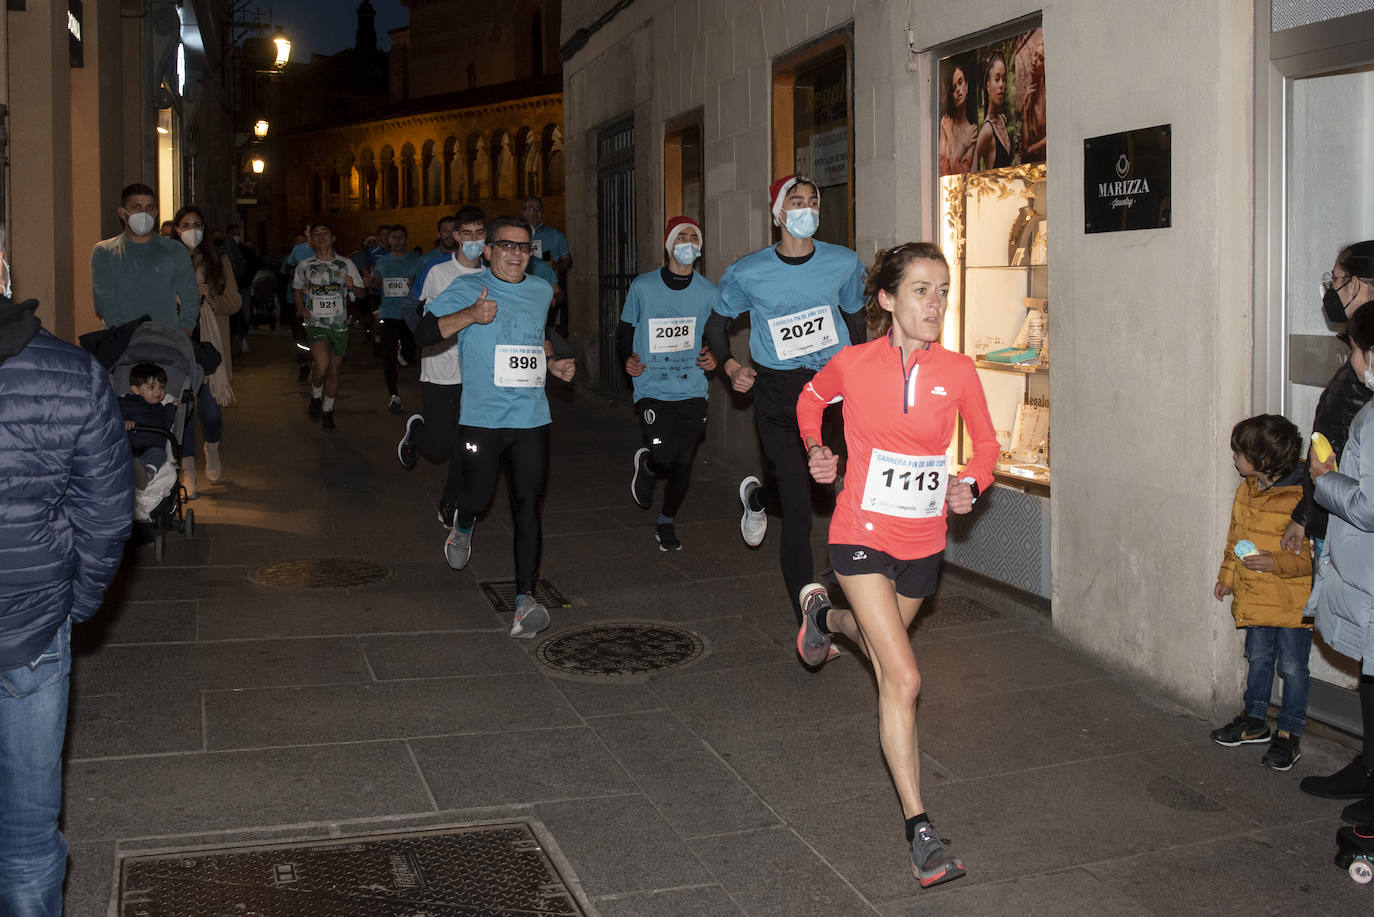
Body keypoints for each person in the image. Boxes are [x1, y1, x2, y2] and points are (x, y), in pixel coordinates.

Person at [795, 241, 993, 888]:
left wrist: (971, 481)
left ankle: (826, 615)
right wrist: (817, 449)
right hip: (859, 532)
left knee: (882, 651)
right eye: (921, 290)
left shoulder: (959, 370)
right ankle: (921, 832)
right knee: (903, 677)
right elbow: (808, 401)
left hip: (922, 544)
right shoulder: (852, 363)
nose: (936, 302)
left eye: (943, 290)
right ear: (886, 299)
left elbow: (986, 444)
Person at [0, 221, 132, 916]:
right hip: (30, 624)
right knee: (25, 840)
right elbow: (108, 514)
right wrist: (73, 602)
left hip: (33, 614)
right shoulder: (69, 372)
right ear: (3, 269)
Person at [703, 175, 866, 624]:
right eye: (797, 202)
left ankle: (758, 498)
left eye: (814, 201)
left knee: (820, 488)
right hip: (777, 393)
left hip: (830, 391)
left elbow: (855, 325)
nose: (807, 209)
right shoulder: (747, 271)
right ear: (778, 212)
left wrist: (859, 379)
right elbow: (715, 326)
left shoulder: (844, 262)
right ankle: (808, 616)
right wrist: (731, 367)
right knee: (798, 504)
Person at [424, 215, 575, 638]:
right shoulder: (466, 288)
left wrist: (553, 361)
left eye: (523, 247)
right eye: (506, 246)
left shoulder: (542, 290)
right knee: (477, 496)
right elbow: (421, 331)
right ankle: (464, 523)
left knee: (528, 506)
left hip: (531, 419)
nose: (515, 254)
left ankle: (524, 601)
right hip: (482, 420)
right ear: (488, 251)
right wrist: (470, 315)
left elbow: (536, 335)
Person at [1286, 243, 1374, 815]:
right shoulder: (1361, 347)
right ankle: (1370, 764)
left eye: (1338, 279)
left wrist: (1324, 488)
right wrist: (1308, 509)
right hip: (1340, 519)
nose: (1331, 290)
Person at [1209, 414, 1313, 771]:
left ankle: (1289, 733)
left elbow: (1316, 558)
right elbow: (1235, 538)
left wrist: (1276, 563)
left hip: (1291, 604)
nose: (1235, 458)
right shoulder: (1247, 489)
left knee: (1294, 668)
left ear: (1264, 461)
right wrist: (1228, 577)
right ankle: (1254, 722)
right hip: (1255, 598)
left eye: (1240, 453)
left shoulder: (1304, 500)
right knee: (1258, 660)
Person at [619, 216, 719, 550]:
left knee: (685, 461)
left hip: (691, 387)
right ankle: (647, 465)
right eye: (681, 237)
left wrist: (715, 357)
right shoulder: (643, 287)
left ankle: (666, 522)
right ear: (669, 244)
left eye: (694, 237)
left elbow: (715, 335)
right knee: (664, 457)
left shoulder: (708, 292)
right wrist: (627, 360)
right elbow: (625, 329)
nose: (688, 243)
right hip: (652, 386)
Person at [399, 206, 487, 527]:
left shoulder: (493, 274)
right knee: (439, 446)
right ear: (455, 236)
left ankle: (451, 500)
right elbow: (413, 312)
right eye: (468, 234)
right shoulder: (437, 272)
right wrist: (422, 340)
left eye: (480, 234)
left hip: (476, 376)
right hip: (439, 370)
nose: (474, 241)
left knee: (468, 445)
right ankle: (418, 431)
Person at [173, 205, 241, 494]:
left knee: (211, 411)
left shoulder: (219, 261)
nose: (192, 231)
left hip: (210, 347)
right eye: (185, 225)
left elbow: (235, 301)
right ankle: (188, 471)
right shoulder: (168, 260)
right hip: (179, 344)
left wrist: (211, 299)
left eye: (196, 224)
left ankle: (212, 447)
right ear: (177, 230)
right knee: (184, 410)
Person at [90, 182, 200, 334]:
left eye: (149, 207)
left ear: (155, 213)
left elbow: (190, 293)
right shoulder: (104, 252)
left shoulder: (174, 250)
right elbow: (104, 300)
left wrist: (185, 328)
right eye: (137, 207)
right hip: (121, 341)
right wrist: (127, 334)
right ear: (122, 213)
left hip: (165, 340)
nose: (144, 213)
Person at [294, 222, 365, 430]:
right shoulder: (305, 265)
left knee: (334, 370)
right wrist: (301, 307)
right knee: (322, 364)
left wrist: (353, 286)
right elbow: (297, 287)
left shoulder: (346, 264)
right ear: (312, 240)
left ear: (333, 238)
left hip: (339, 324)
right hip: (316, 322)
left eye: (325, 233)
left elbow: (361, 294)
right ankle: (316, 395)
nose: (321, 236)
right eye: (316, 234)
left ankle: (328, 410)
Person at [370, 225, 422, 414]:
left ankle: (404, 353)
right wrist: (370, 281)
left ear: (406, 240)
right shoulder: (383, 262)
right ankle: (394, 395)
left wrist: (414, 283)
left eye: (401, 237)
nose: (397, 240)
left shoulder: (416, 260)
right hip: (388, 313)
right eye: (394, 237)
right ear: (388, 241)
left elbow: (424, 282)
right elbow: (376, 282)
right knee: (388, 356)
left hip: (409, 313)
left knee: (410, 353)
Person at [118, 361, 178, 487]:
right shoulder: (126, 402)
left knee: (159, 454)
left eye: (161, 387)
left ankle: (146, 474)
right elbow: (109, 415)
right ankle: (128, 471)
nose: (158, 392)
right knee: (120, 455)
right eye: (151, 387)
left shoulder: (160, 408)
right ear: (135, 390)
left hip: (152, 447)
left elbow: (166, 426)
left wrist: (171, 408)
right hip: (130, 444)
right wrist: (122, 422)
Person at [522, 197, 571, 334]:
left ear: (542, 212)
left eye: (538, 209)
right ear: (524, 211)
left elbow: (568, 261)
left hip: (548, 291)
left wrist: (554, 266)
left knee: (547, 332)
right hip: (524, 291)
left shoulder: (555, 235)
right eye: (531, 209)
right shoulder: (519, 236)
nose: (534, 213)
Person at [974, 51, 1014, 171]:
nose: (1002, 84)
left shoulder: (1002, 119)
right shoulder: (987, 131)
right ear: (988, 86)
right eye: (997, 79)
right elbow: (971, 170)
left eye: (1004, 79)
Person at [938, 57, 978, 176]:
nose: (958, 90)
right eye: (954, 87)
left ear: (966, 86)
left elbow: (960, 175)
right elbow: (943, 172)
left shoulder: (971, 132)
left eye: (960, 83)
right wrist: (961, 150)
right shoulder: (946, 121)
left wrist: (952, 138)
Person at [1016, 29, 1046, 163]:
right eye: (1035, 55)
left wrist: (1029, 151)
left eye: (1041, 59)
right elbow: (1025, 143)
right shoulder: (1029, 92)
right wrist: (1024, 107)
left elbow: (1048, 140)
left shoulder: (1047, 94)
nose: (1035, 61)